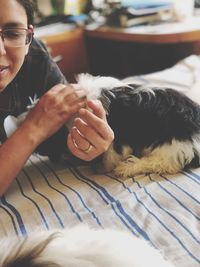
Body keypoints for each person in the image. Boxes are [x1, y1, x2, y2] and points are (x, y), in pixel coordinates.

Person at [0, 0, 114, 195]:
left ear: (28, 37)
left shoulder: (34, 55)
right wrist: (34, 128)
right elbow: (43, 124)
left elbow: (63, 134)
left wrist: (92, 146)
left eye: (12, 33)